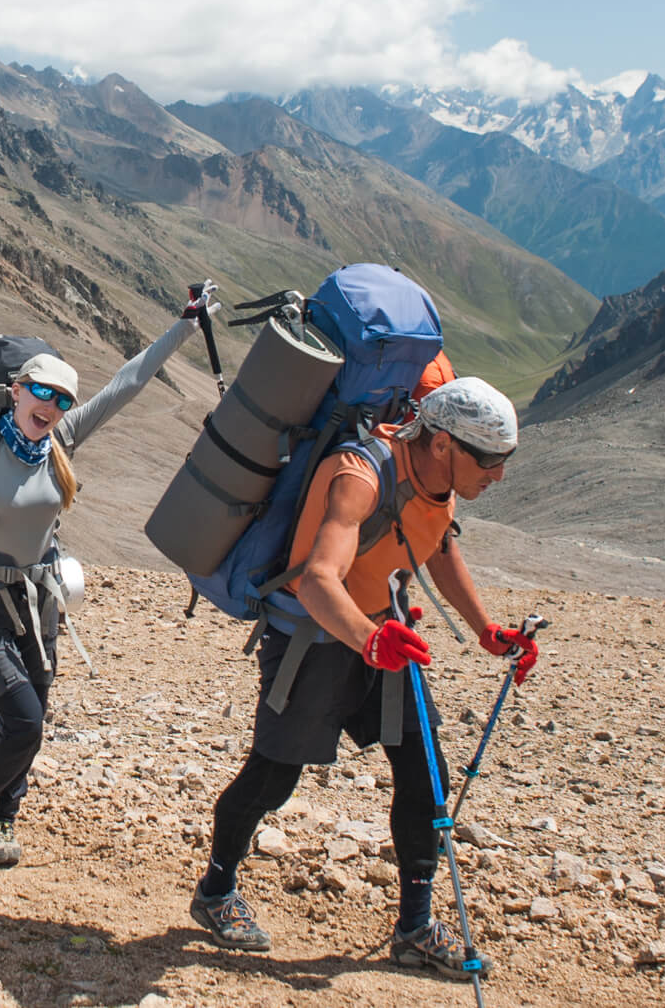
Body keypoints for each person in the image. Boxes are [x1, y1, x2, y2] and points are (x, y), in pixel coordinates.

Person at [187, 376, 541, 980]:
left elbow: (435, 544)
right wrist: (370, 640)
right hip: (318, 638)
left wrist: (486, 629)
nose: (497, 475)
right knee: (273, 778)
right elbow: (320, 577)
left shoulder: (438, 481)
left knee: (425, 775)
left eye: (504, 460)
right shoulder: (361, 475)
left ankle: (415, 927)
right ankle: (216, 890)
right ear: (441, 445)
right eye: (487, 460)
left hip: (384, 635)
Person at [0, 267, 214, 867]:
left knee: (35, 714)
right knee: (22, 719)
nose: (54, 407)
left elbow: (129, 382)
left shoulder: (63, 440)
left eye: (63, 400)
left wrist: (183, 327)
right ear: (20, 390)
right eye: (44, 394)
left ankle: (2, 816)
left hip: (38, 604)